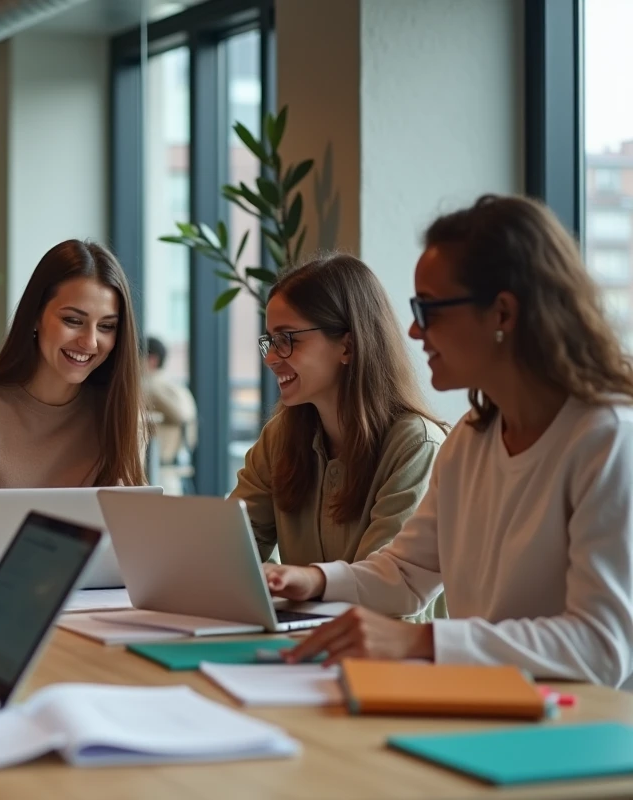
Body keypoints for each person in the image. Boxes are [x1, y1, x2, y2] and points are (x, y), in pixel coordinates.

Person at [267, 195, 633, 690]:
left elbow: (601, 647)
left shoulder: (608, 439)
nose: (415, 329)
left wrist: (424, 644)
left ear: (502, 313)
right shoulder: (470, 440)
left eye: (430, 309)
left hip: (579, 735)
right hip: (488, 710)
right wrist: (316, 580)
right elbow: (408, 572)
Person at [0, 239, 146, 569]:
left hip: (92, 602)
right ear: (35, 316)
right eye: (73, 320)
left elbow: (130, 541)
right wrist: (26, 552)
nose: (90, 341)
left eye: (106, 327)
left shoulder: (118, 414)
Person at [232, 255, 445, 576]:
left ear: (348, 346)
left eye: (287, 339)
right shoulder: (279, 437)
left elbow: (382, 586)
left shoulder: (416, 445)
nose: (271, 359)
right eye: (270, 342)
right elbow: (232, 548)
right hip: (301, 627)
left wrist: (280, 582)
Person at [142, 335, 198, 495]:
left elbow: (180, 415)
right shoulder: (177, 387)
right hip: (174, 472)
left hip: (159, 473)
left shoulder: (149, 385)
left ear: (151, 360)